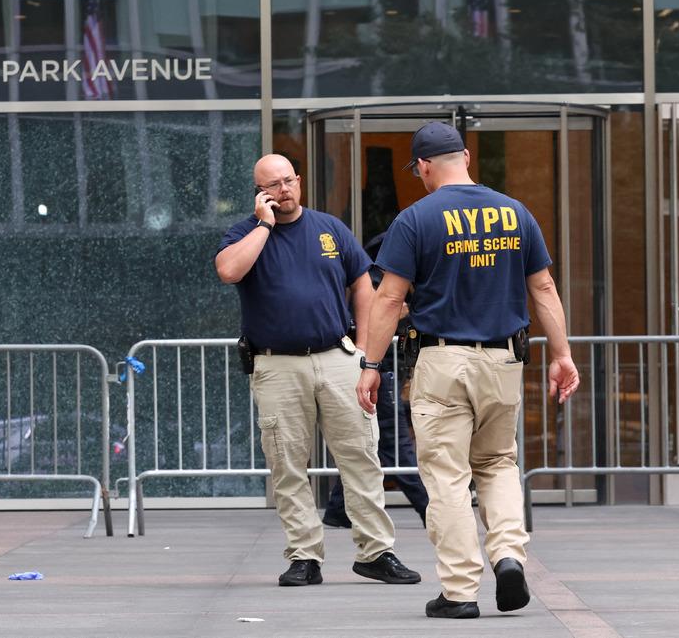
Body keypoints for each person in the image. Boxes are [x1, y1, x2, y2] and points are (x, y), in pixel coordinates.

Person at [353, 122, 579, 619]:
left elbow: (389, 297)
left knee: (448, 477)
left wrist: (370, 364)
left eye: (418, 171)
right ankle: (509, 556)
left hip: (442, 362)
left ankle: (459, 591)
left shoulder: (414, 219)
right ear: (468, 156)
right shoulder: (514, 211)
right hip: (504, 359)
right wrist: (562, 355)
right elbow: (543, 289)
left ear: (426, 166)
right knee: (498, 463)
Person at [215, 153, 421, 588]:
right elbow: (230, 270)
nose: (283, 190)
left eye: (288, 181)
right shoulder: (244, 233)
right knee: (288, 465)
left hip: (337, 357)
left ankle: (377, 552)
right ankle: (304, 556)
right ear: (259, 192)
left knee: (363, 458)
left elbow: (364, 288)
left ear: (300, 181)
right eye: (272, 185)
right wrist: (264, 226)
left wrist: (366, 354)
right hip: (276, 363)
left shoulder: (330, 228)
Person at [323, 232, 429, 529]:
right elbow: (371, 324)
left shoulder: (379, 280)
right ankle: (428, 508)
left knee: (375, 444)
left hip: (379, 370)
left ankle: (338, 508)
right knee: (395, 443)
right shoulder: (375, 283)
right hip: (377, 372)